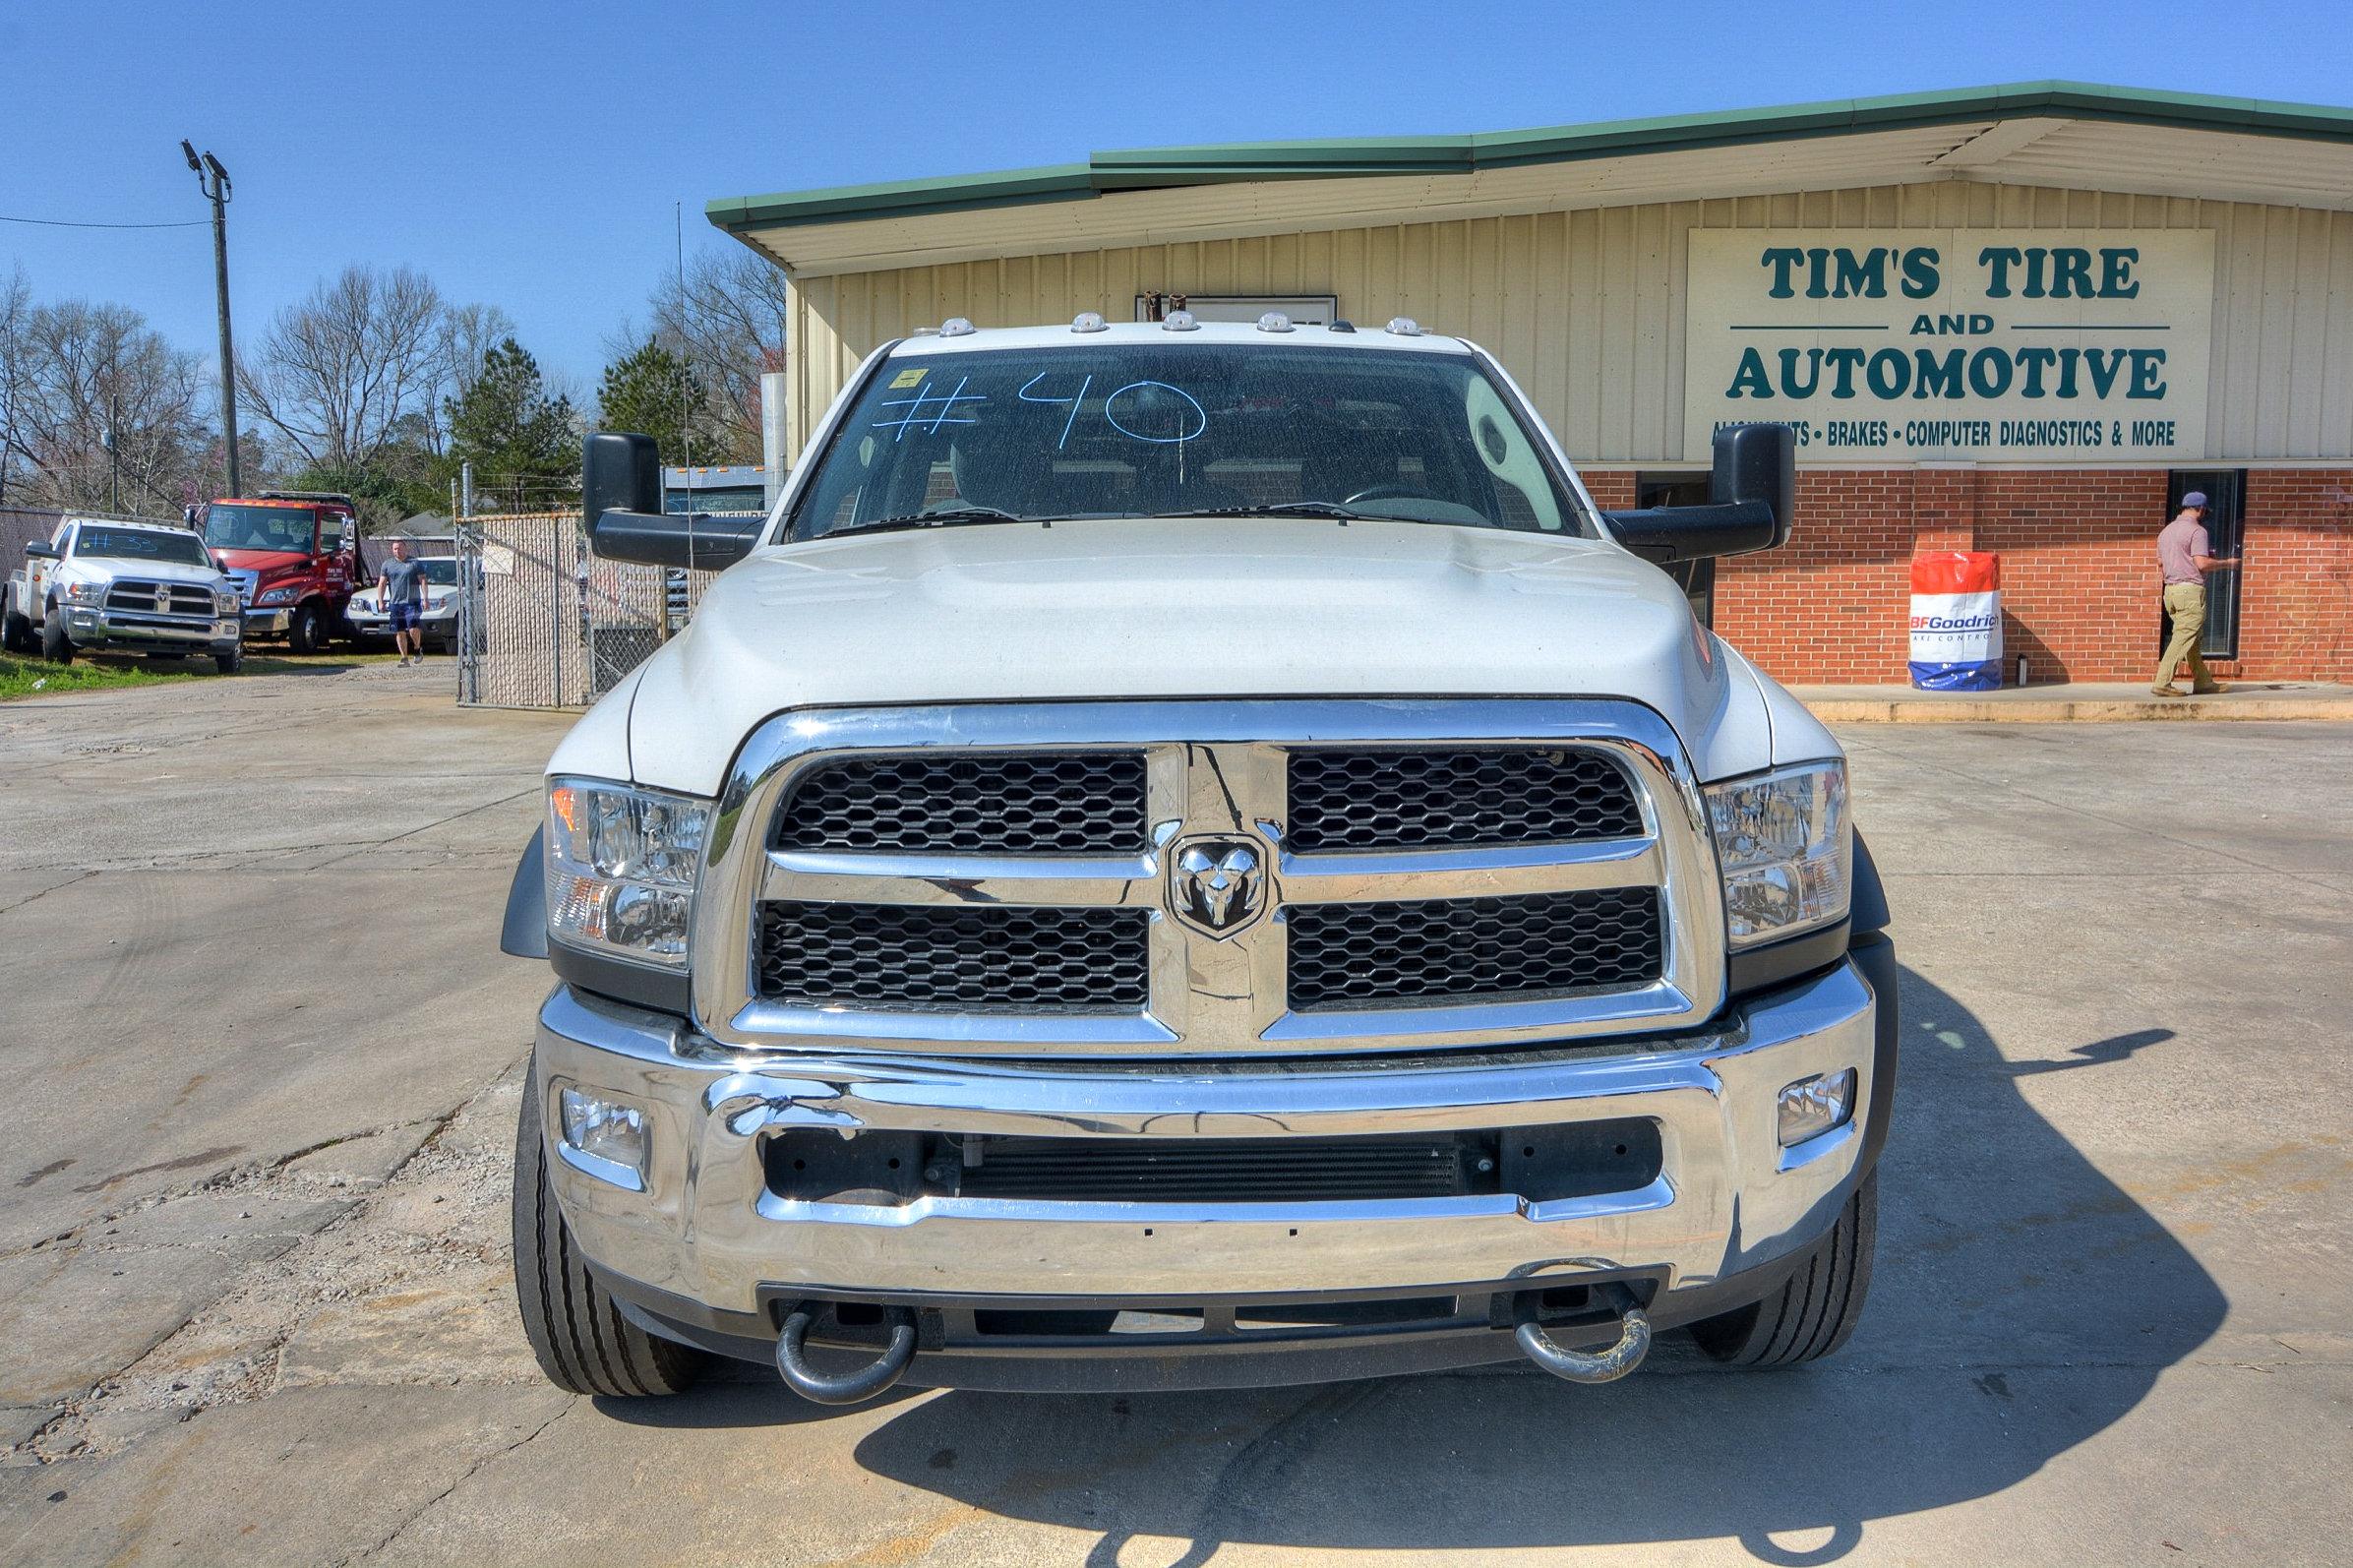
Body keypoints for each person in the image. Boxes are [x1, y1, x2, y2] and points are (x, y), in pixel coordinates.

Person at [2152, 492, 2239, 696]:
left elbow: (2160, 563)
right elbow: (2202, 564)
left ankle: (2203, 682)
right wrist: (2227, 563)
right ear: (2200, 509)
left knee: (2191, 637)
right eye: (2205, 511)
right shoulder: (2197, 531)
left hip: (2171, 591)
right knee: (2184, 636)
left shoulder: (2165, 532)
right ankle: (2162, 682)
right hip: (2189, 590)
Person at [378, 538, 429, 667]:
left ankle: (417, 648)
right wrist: (380, 601)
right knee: (399, 631)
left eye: (399, 548)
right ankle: (404, 657)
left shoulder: (414, 563)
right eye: (395, 548)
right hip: (396, 603)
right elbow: (382, 583)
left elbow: (423, 580)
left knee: (413, 629)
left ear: (405, 548)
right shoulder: (387, 564)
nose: (397, 551)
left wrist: (425, 598)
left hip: (412, 602)